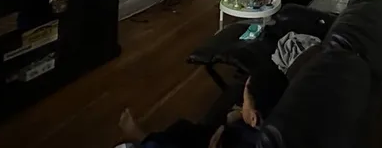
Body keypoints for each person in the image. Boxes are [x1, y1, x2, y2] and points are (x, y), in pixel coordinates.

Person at [116, 64, 287, 148]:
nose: (241, 104)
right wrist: (234, 118)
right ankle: (149, 138)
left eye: (244, 101)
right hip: (223, 134)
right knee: (183, 128)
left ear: (254, 118)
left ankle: (139, 137)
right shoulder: (276, 121)